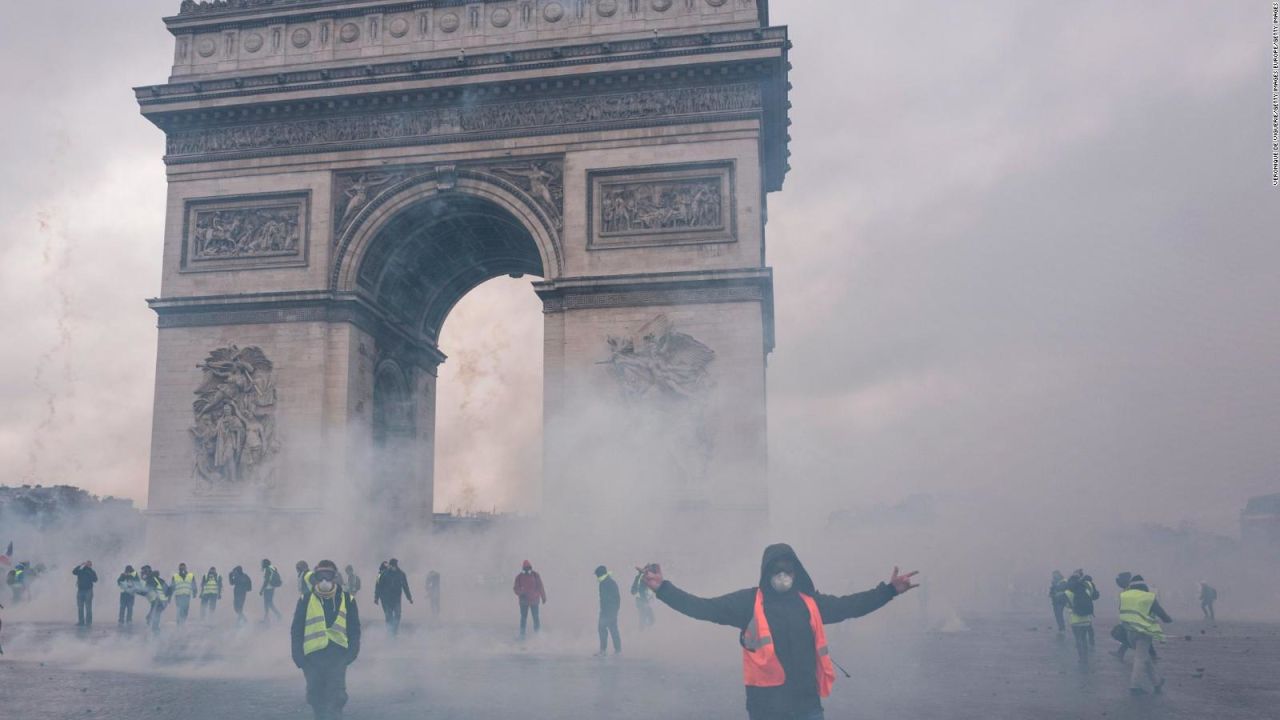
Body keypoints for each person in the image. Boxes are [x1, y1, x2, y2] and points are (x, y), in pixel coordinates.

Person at [640, 544, 918, 720]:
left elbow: (851, 605)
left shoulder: (810, 603)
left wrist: (889, 590)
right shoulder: (748, 603)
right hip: (766, 709)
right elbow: (702, 608)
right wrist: (664, 589)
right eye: (776, 570)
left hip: (807, 706)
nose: (782, 576)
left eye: (787, 571)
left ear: (796, 573)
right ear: (766, 573)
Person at [291, 559, 361, 720]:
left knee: (336, 697)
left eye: (328, 575)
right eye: (321, 575)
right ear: (315, 576)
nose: (324, 580)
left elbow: (354, 629)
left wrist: (351, 654)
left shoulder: (347, 599)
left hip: (338, 656)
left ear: (335, 577)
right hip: (312, 657)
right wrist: (299, 658)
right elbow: (296, 630)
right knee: (315, 696)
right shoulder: (306, 599)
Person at [1119, 574, 1172, 695]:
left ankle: (1157, 682)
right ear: (1144, 585)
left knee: (1144, 657)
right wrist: (1168, 619)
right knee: (1140, 658)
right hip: (1143, 632)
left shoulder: (1124, 596)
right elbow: (1161, 613)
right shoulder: (1148, 597)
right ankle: (1135, 686)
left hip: (1129, 631)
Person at [1063, 572, 1099, 670]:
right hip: (1086, 619)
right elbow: (1095, 596)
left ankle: (1081, 658)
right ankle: (1085, 657)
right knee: (1084, 638)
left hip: (1075, 620)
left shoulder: (1068, 592)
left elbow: (1066, 605)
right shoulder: (1086, 590)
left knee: (1078, 639)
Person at [373, 558, 412, 636]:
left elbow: (405, 587)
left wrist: (409, 598)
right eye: (392, 565)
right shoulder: (382, 574)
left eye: (394, 565)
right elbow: (378, 586)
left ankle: (394, 631)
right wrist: (376, 597)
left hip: (396, 599)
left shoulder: (401, 574)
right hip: (386, 599)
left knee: (397, 615)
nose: (393, 567)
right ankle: (390, 632)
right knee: (389, 616)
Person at [513, 560, 546, 640]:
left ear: (531, 568)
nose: (527, 571)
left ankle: (537, 634)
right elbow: (515, 588)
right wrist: (521, 593)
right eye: (525, 569)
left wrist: (543, 596)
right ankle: (522, 634)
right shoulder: (519, 577)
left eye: (528, 569)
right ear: (523, 568)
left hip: (534, 601)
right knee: (524, 618)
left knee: (535, 617)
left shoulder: (535, 575)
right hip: (524, 602)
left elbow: (540, 586)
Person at [595, 565, 621, 656]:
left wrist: (614, 610)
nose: (596, 577)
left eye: (597, 575)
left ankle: (616, 650)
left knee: (611, 629)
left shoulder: (608, 583)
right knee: (604, 628)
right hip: (605, 611)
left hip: (610, 611)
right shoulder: (604, 582)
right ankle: (607, 650)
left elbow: (617, 598)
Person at [140, 565, 169, 633]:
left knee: (152, 617)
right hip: (160, 602)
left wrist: (135, 590)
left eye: (143, 572)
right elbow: (169, 589)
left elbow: (145, 591)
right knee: (153, 616)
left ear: (147, 572)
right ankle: (155, 631)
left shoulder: (151, 579)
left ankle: (156, 634)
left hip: (159, 602)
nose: (142, 574)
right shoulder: (156, 579)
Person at [72, 560, 98, 627]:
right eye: (87, 564)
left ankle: (88, 622)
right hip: (80, 591)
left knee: (88, 607)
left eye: (89, 564)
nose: (88, 565)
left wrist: (90, 573)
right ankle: (81, 622)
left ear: (91, 565)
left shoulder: (92, 571)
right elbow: (74, 572)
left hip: (88, 591)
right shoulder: (81, 571)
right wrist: (80, 565)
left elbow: (95, 580)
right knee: (80, 607)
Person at [1049, 570, 1069, 635]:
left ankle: (1062, 628)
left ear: (1058, 574)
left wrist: (1057, 592)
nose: (1054, 576)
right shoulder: (1054, 582)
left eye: (1055, 574)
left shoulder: (1063, 581)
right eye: (1053, 575)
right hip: (1055, 600)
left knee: (1059, 614)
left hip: (1061, 600)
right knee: (1057, 615)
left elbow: (1064, 590)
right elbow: (1052, 590)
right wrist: (1051, 593)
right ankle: (1060, 627)